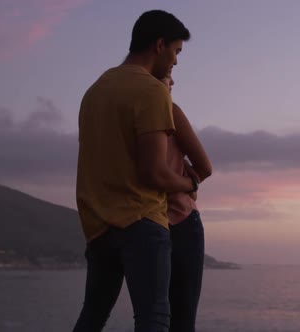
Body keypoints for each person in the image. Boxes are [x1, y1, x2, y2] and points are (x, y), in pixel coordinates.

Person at [73, 10, 197, 332]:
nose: (176, 62)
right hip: (141, 222)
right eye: (176, 51)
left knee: (93, 316)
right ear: (159, 45)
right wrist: (187, 182)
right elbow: (154, 173)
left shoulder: (94, 91)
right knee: (154, 318)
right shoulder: (151, 91)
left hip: (98, 225)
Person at [160, 71, 212, 332]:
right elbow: (204, 168)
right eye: (169, 75)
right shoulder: (163, 111)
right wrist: (190, 181)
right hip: (165, 224)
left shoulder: (170, 112)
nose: (173, 81)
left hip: (172, 223)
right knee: (169, 318)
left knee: (169, 317)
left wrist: (188, 182)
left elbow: (204, 168)